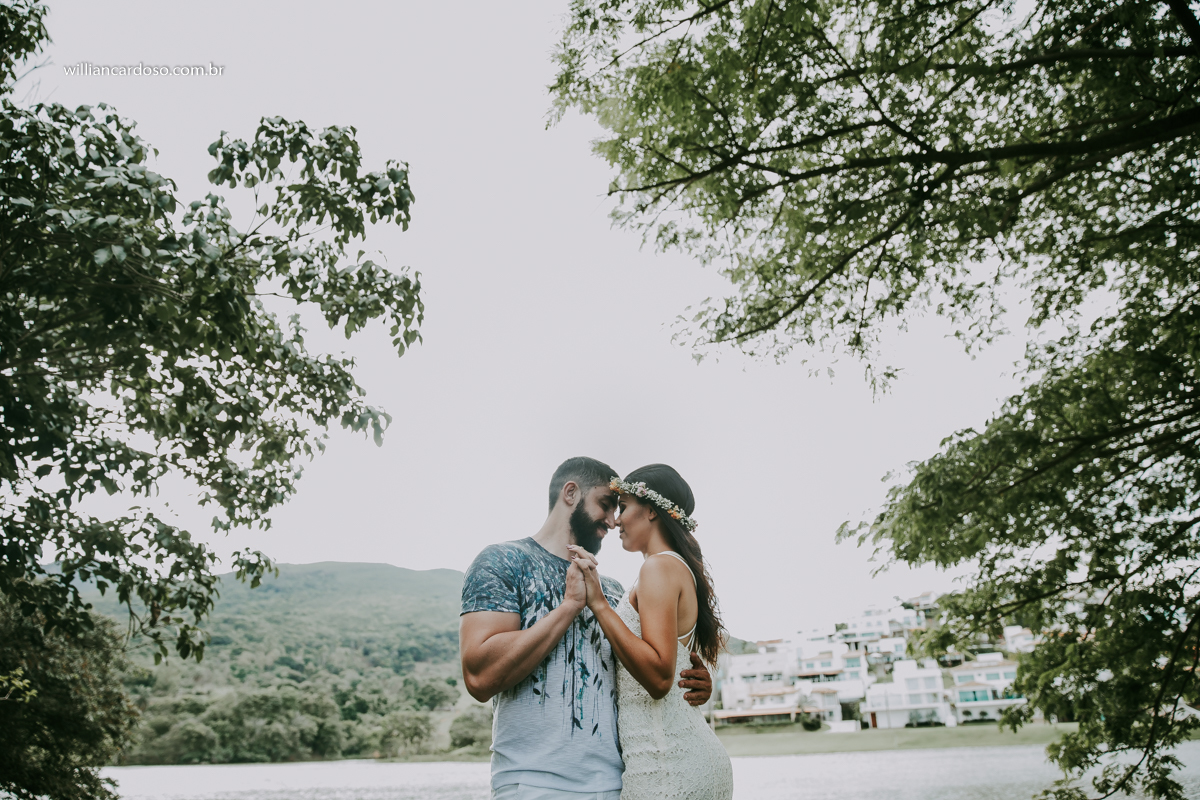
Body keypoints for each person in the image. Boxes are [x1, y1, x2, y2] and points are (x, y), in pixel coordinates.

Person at [459, 457, 713, 800]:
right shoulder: (503, 561)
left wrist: (694, 682)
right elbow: (479, 676)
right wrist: (568, 608)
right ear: (570, 493)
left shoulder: (611, 591)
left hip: (619, 784)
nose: (613, 520)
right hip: (535, 784)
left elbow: (651, 670)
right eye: (606, 505)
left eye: (619, 508)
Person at [568, 464, 733, 800]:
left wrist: (598, 603)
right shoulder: (673, 567)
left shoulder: (657, 567)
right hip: (681, 757)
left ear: (652, 511)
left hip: (666, 766)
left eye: (624, 507)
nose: (615, 521)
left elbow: (658, 679)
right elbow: (673, 666)